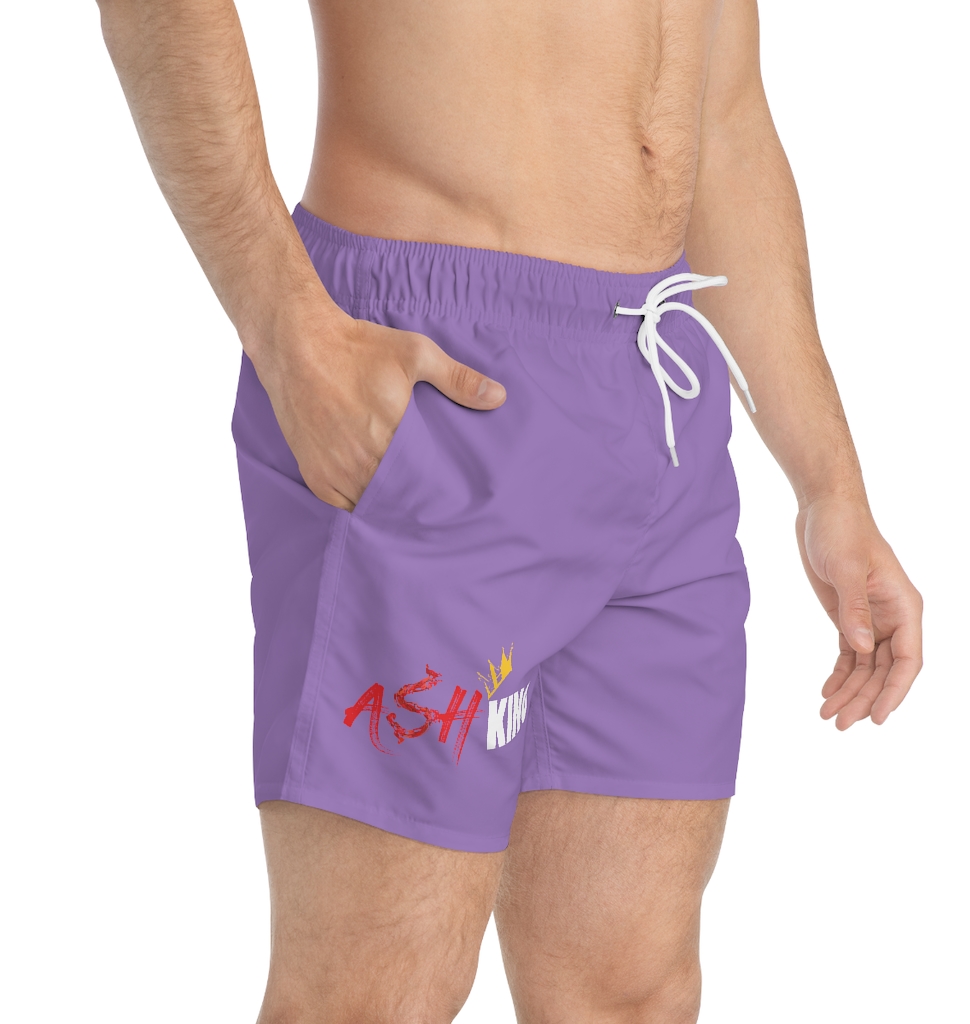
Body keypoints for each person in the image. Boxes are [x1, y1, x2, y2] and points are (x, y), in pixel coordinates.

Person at [97, 1, 923, 1020]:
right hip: (432, 375)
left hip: (659, 398)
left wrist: (830, 484)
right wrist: (284, 323)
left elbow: (723, 117)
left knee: (630, 992)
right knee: (373, 996)